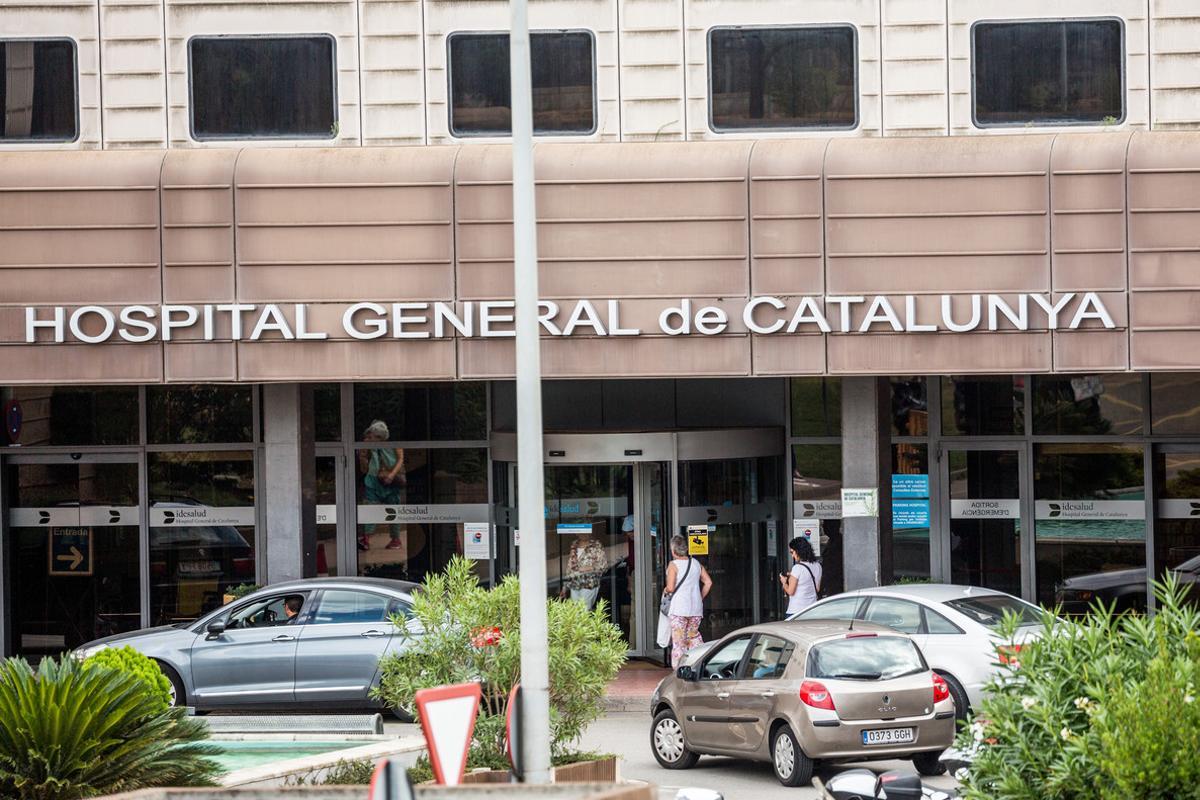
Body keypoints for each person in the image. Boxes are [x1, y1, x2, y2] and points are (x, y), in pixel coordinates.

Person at [357, 420, 406, 554]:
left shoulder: (393, 445)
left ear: (379, 437)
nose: (370, 438)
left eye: (372, 436)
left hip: (388, 481)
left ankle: (395, 539)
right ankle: (367, 537)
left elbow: (401, 460)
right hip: (374, 479)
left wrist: (392, 475)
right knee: (371, 508)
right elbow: (364, 465)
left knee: (392, 510)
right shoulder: (369, 446)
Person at [664, 534, 712, 668]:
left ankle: (679, 671)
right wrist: (700, 598)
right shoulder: (696, 563)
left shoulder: (673, 565)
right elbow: (708, 582)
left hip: (679, 609)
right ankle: (699, 665)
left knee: (679, 642)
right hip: (695, 609)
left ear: (673, 551)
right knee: (693, 638)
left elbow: (671, 587)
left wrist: (665, 590)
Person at [560, 533, 608, 609]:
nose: (583, 534)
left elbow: (604, 566)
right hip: (574, 583)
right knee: (575, 612)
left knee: (585, 612)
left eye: (586, 531)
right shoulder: (574, 544)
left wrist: (590, 568)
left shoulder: (596, 545)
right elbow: (570, 566)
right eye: (580, 532)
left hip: (589, 584)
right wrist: (564, 587)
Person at [780, 536, 822, 616]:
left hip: (796, 611)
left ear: (798, 551)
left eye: (792, 552)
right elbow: (817, 589)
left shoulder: (797, 568)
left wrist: (784, 582)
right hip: (811, 609)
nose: (792, 556)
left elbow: (790, 592)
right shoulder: (817, 566)